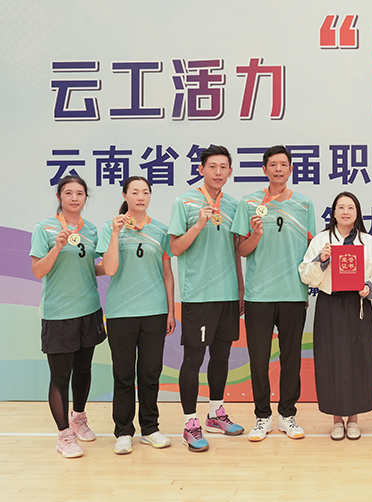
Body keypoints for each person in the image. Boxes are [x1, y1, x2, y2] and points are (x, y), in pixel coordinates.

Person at [232, 146, 315, 441]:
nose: (278, 169)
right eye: (273, 164)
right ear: (264, 169)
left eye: (283, 164)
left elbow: (312, 251)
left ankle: (287, 415)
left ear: (290, 169)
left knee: (291, 358)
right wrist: (255, 234)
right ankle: (262, 416)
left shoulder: (304, 203)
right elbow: (242, 251)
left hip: (293, 292)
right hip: (259, 294)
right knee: (258, 359)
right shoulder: (249, 203)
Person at [168, 145, 244, 452]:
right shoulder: (184, 202)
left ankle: (215, 413)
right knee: (193, 360)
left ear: (230, 172)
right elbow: (175, 248)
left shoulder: (235, 205)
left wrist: (240, 287)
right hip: (198, 295)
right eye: (212, 166)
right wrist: (198, 224)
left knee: (222, 357)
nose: (218, 172)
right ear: (201, 170)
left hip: (227, 295)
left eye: (223, 167)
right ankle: (190, 423)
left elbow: (236, 250)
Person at [98, 176, 176, 455]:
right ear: (125, 195)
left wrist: (171, 310)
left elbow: (167, 274)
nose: (141, 197)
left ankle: (150, 428)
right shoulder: (110, 228)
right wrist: (116, 233)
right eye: (135, 192)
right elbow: (109, 269)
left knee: (150, 373)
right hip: (121, 313)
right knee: (123, 374)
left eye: (145, 192)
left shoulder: (161, 230)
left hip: (155, 312)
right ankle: (123, 432)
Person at [299, 192, 372, 441]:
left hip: (358, 305)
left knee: (359, 359)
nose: (346, 212)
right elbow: (305, 274)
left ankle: (354, 419)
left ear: (357, 213)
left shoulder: (369, 242)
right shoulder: (321, 240)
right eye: (341, 207)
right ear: (333, 213)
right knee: (331, 360)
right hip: (330, 305)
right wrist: (322, 259)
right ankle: (337, 419)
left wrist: (369, 288)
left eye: (351, 207)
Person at [31, 175, 106, 458]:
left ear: (86, 197)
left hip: (88, 310)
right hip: (59, 313)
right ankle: (64, 435)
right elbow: (38, 271)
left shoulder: (91, 229)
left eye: (80, 193)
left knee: (83, 369)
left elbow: (92, 268)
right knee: (60, 376)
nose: (75, 198)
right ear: (59, 197)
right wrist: (57, 247)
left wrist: (113, 259)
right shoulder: (45, 228)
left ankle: (78, 418)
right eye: (69, 193)